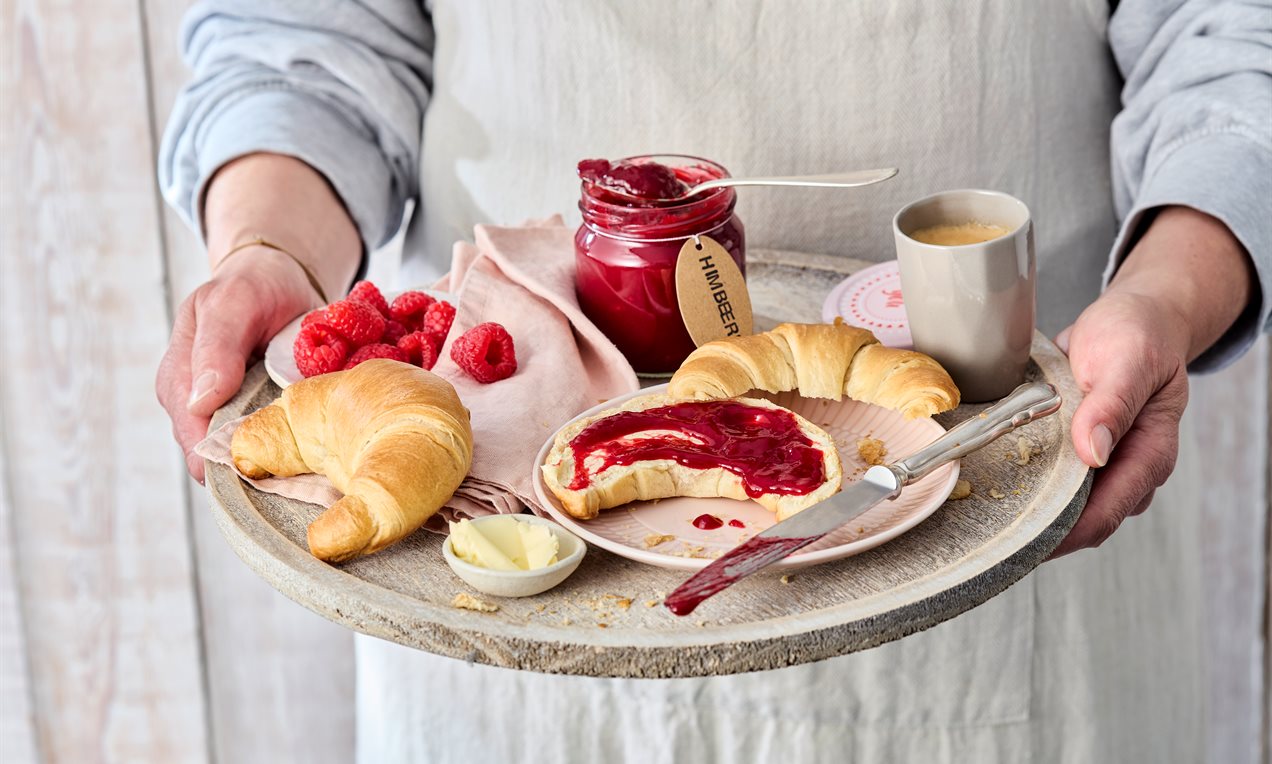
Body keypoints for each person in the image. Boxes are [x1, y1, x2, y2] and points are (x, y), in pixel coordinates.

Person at [155, 1, 1270, 761]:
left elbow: (1231, 37)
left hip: (1011, 481)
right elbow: (298, 38)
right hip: (508, 565)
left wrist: (1167, 295)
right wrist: (275, 254)